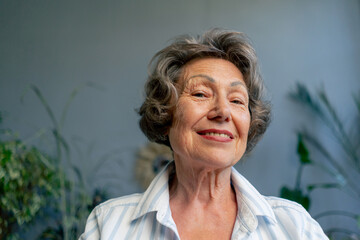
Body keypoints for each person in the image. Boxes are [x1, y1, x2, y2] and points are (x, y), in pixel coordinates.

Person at [79, 29, 328, 239]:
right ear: (165, 115)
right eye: (200, 94)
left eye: (237, 100)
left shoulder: (296, 228)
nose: (223, 112)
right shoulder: (109, 225)